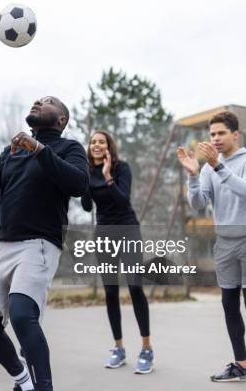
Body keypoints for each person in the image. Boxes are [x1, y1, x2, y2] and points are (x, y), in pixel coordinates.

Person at [0, 96, 89, 391]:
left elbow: (78, 184)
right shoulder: (11, 152)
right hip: (2, 244)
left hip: (39, 244)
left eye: (47, 102)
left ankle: (42, 387)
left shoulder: (68, 148)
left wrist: (38, 149)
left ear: (61, 120)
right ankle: (22, 379)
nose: (37, 102)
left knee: (23, 314)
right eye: (36, 100)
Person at [177, 111, 246, 391]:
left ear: (235, 134)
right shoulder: (210, 168)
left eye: (221, 133)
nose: (216, 139)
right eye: (212, 134)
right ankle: (242, 365)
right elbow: (198, 204)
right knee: (228, 304)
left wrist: (217, 166)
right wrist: (193, 176)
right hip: (225, 240)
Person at [82, 130, 153, 374]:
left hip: (128, 229)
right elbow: (85, 205)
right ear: (89, 147)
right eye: (93, 142)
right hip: (104, 233)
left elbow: (123, 201)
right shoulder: (87, 172)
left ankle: (146, 348)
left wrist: (107, 176)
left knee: (135, 287)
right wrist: (82, 182)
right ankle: (119, 348)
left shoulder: (122, 168)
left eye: (101, 141)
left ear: (109, 146)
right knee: (111, 291)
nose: (97, 145)